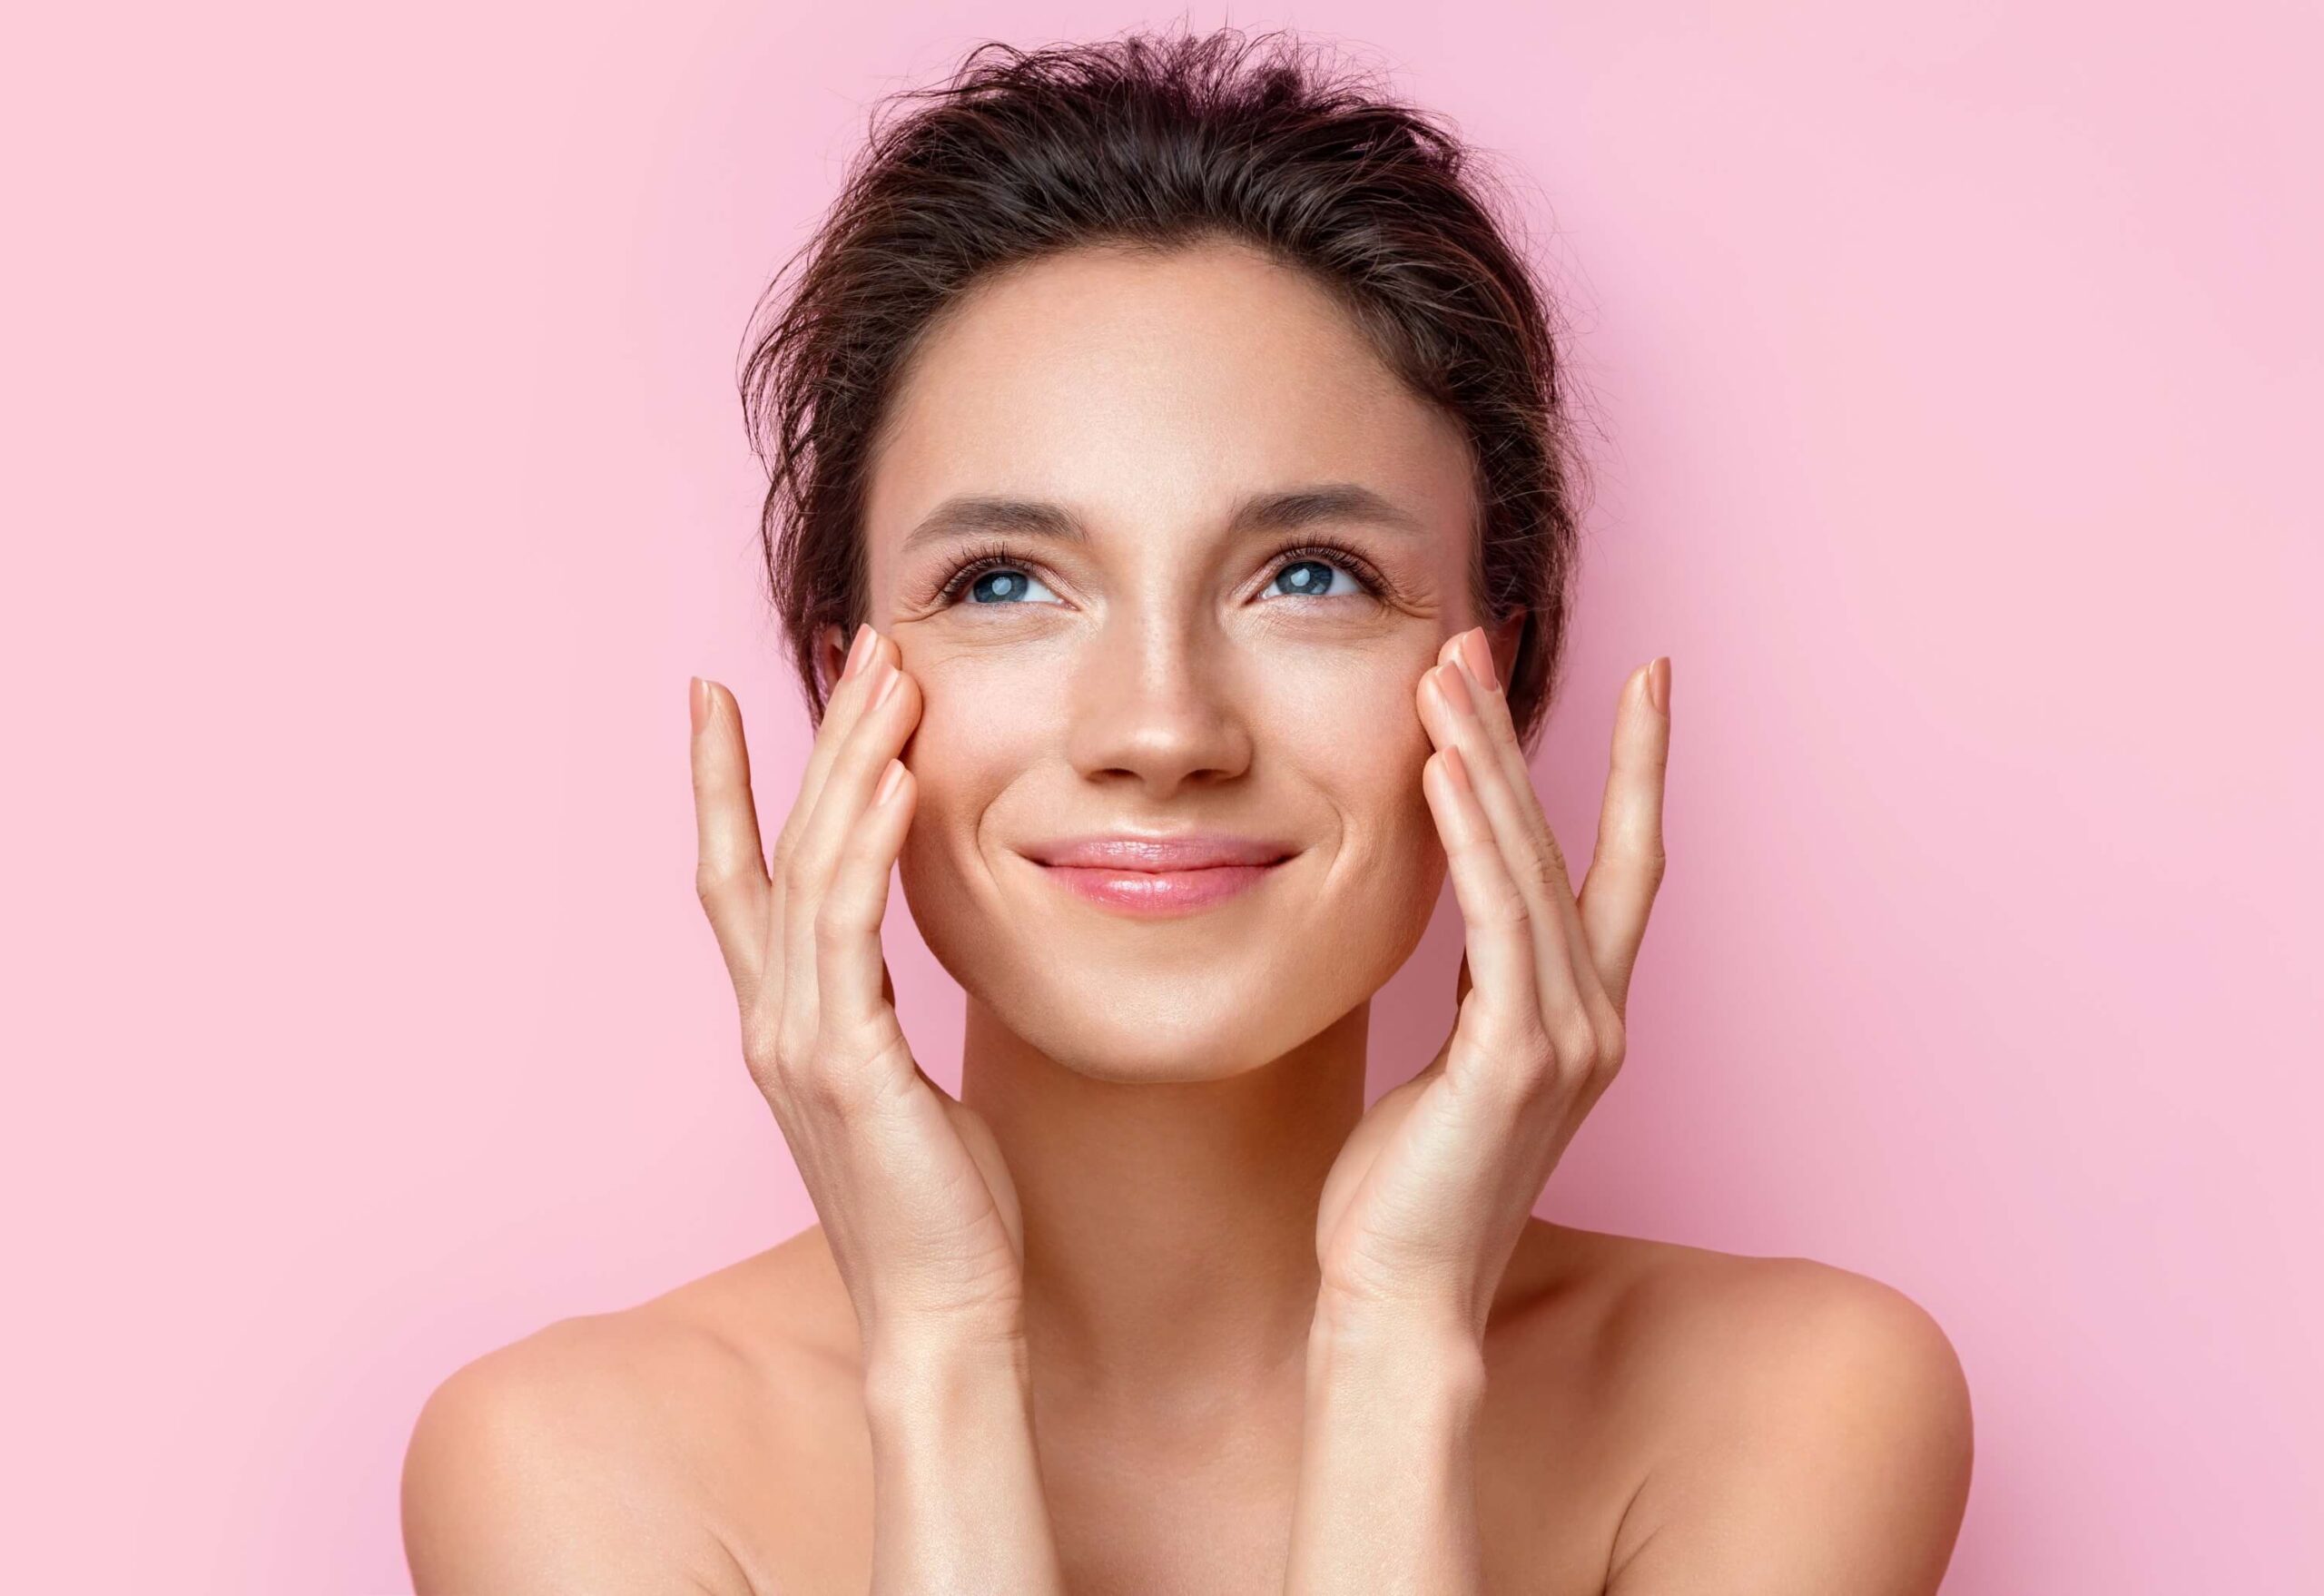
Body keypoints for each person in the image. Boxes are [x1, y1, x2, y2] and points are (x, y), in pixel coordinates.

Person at [401, 27, 1973, 1594]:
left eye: (1312, 577)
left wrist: (1397, 1339)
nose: (1163, 729)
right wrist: (939, 1359)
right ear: (846, 693)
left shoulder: (1791, 1410)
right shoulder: (576, 1466)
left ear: (1494, 676)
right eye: (1003, 582)